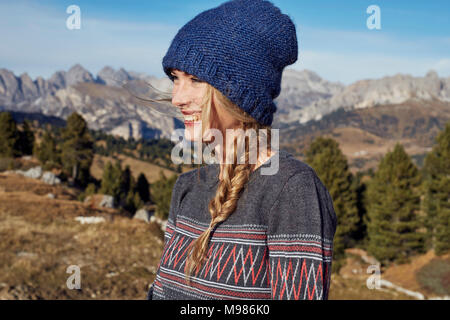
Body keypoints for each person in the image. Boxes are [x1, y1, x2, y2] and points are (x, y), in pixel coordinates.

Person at [147, 0, 337, 300]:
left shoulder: (293, 190)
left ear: (241, 94)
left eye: (196, 80)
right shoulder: (186, 189)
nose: (177, 98)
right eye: (175, 78)